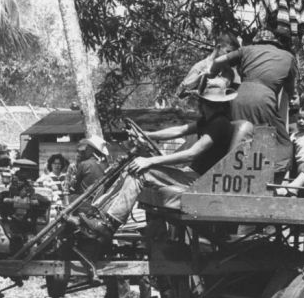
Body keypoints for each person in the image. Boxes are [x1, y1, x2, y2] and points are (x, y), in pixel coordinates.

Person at [77, 77, 236, 241]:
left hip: (200, 181)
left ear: (205, 103)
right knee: (132, 168)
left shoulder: (220, 124)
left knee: (141, 170)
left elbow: (192, 153)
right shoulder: (208, 121)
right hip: (192, 175)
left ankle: (109, 224)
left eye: (201, 101)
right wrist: (147, 135)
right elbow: (178, 130)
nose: (198, 105)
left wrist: (150, 161)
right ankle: (98, 214)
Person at [208, 28, 297, 178]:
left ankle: (231, 176)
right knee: (281, 141)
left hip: (239, 96)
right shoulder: (288, 57)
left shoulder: (247, 50)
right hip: (264, 98)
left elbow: (217, 61)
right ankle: (273, 180)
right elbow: (290, 90)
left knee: (239, 136)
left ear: (257, 41)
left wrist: (211, 75)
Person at [175, 32, 241, 98]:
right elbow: (179, 94)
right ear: (218, 48)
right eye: (228, 52)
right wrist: (198, 79)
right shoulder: (200, 67)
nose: (230, 57)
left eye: (232, 55)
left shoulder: (229, 72)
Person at [64, 137, 109, 201]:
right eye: (78, 152)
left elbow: (74, 187)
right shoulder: (105, 164)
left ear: (91, 150)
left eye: (87, 149)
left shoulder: (84, 164)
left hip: (85, 202)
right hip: (101, 200)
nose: (79, 154)